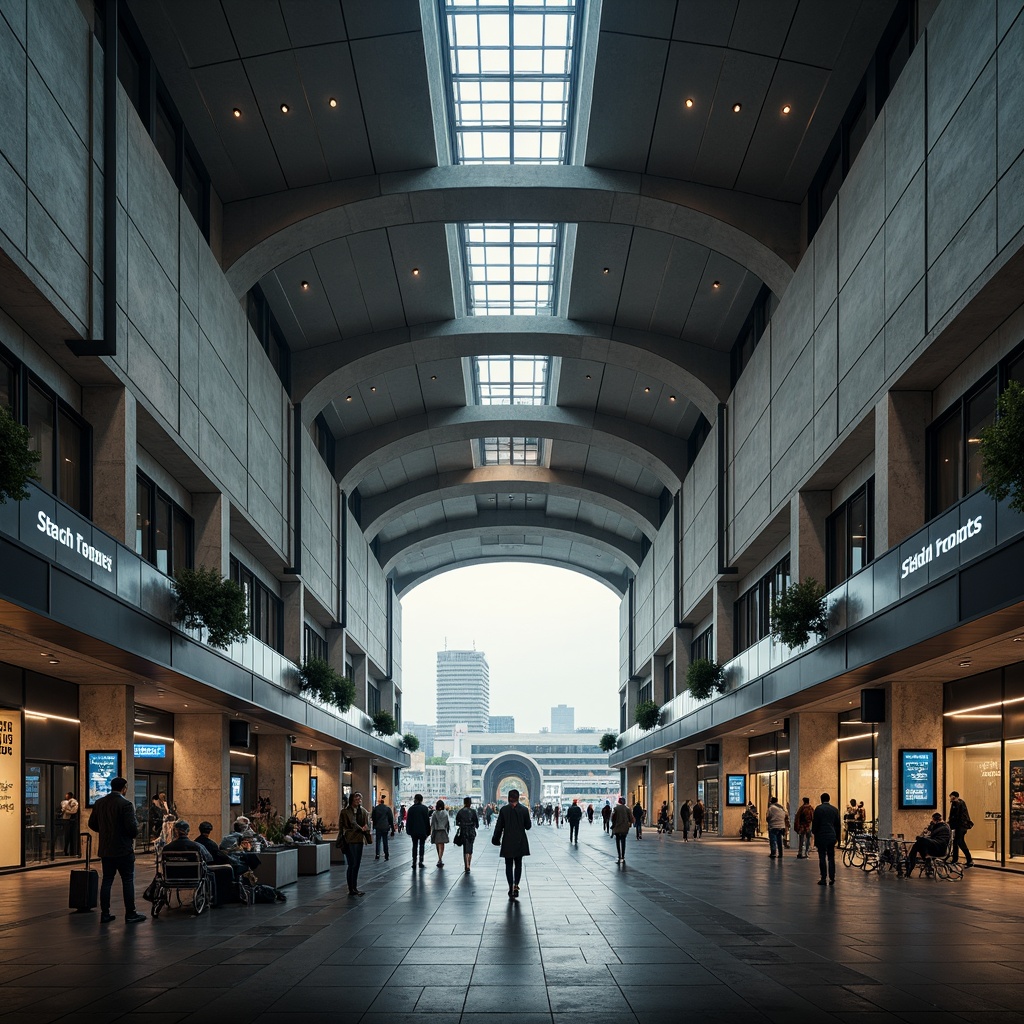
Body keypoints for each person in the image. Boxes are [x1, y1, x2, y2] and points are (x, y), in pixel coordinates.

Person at [88, 776, 146, 924]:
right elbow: (131, 828)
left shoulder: (99, 803)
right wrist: (134, 832)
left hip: (106, 849)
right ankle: (130, 913)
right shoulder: (125, 804)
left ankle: (105, 913)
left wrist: (105, 832)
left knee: (107, 880)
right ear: (124, 788)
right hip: (123, 848)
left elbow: (92, 824)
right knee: (127, 880)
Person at [492, 788, 531, 899]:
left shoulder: (504, 810)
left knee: (508, 865)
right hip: (520, 841)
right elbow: (528, 826)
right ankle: (516, 885)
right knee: (518, 864)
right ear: (518, 798)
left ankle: (510, 886)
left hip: (507, 841)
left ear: (509, 798)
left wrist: (496, 838)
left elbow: (499, 826)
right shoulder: (524, 810)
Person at [340, 792, 371, 895]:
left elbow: (367, 823)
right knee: (352, 864)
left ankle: (354, 887)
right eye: (356, 799)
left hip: (359, 839)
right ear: (352, 800)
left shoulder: (363, 811)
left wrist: (366, 828)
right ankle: (351, 888)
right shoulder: (345, 812)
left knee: (356, 864)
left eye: (359, 799)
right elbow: (344, 826)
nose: (358, 801)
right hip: (349, 839)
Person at [811, 792, 842, 886]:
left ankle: (823, 878)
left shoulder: (819, 809)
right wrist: (837, 837)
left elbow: (815, 823)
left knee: (822, 857)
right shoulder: (835, 810)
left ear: (821, 799)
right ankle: (832, 877)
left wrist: (814, 832)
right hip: (831, 836)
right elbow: (838, 825)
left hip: (821, 836)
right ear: (829, 799)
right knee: (831, 858)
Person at [948, 791, 974, 867]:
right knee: (956, 843)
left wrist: (951, 824)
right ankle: (955, 859)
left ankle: (969, 859)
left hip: (960, 826)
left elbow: (956, 816)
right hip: (960, 826)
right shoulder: (960, 803)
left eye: (951, 796)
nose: (950, 798)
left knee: (960, 842)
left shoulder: (957, 804)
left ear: (954, 796)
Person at [406, 793, 430, 868]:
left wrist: (408, 830)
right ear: (421, 800)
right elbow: (427, 821)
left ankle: (414, 862)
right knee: (422, 845)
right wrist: (428, 831)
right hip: (422, 831)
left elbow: (408, 821)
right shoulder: (425, 808)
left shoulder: (411, 809)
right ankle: (421, 861)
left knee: (414, 846)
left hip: (413, 831)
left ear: (415, 799)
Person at [455, 796, 479, 872]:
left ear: (464, 803)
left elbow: (457, 822)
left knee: (465, 848)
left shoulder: (460, 811)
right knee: (470, 848)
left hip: (463, 831)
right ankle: (469, 863)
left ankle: (466, 865)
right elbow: (476, 823)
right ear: (470, 803)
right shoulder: (473, 811)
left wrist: (462, 824)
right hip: (471, 831)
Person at [371, 793, 395, 861]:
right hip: (385, 827)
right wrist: (392, 829)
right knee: (385, 841)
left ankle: (377, 854)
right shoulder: (387, 809)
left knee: (378, 841)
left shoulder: (376, 809)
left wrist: (374, 826)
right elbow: (390, 819)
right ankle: (386, 854)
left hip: (378, 827)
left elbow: (373, 818)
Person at [429, 799, 450, 867]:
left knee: (437, 845)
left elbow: (432, 823)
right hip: (443, 831)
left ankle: (439, 858)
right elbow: (447, 822)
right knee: (442, 845)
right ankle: (440, 858)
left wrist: (431, 831)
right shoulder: (445, 813)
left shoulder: (435, 813)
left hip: (436, 831)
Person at [611, 797, 632, 863]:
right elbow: (631, 818)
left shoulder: (616, 809)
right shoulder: (627, 809)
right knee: (623, 841)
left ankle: (619, 855)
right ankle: (623, 855)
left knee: (617, 841)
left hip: (617, 827)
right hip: (625, 828)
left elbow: (613, 818)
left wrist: (613, 825)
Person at [61, 791, 79, 856]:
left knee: (68, 836)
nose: (66, 796)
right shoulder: (66, 802)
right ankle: (68, 851)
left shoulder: (73, 802)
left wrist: (66, 810)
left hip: (69, 820)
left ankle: (70, 851)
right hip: (67, 820)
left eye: (67, 795)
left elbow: (73, 811)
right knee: (67, 836)